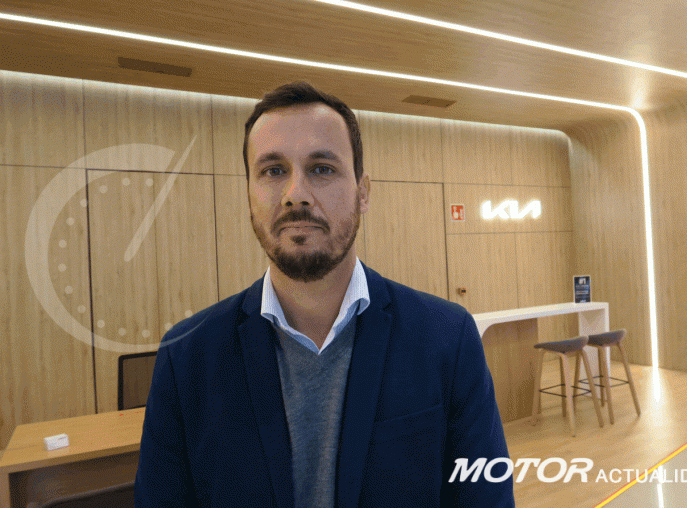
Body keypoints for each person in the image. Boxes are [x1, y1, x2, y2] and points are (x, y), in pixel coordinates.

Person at [134, 81, 515, 507]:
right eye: (273, 171)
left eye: (321, 169)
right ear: (249, 195)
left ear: (363, 193)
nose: (296, 195)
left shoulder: (446, 337)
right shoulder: (187, 355)